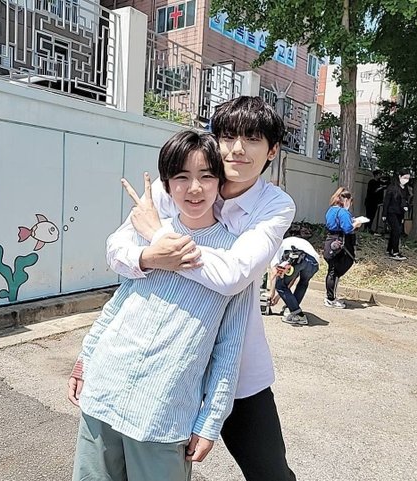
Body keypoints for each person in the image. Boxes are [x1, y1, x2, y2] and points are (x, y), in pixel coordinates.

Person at [106, 96, 297, 481]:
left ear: (272, 150)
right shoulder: (178, 183)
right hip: (167, 363)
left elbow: (234, 275)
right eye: (227, 137)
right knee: (137, 466)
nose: (237, 149)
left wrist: (159, 236)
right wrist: (149, 257)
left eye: (253, 139)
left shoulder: (274, 205)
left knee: (270, 473)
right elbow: (116, 250)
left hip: (235, 368)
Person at [68, 130, 253, 481]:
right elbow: (117, 306)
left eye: (206, 176)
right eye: (181, 177)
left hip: (163, 413)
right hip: (104, 391)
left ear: (220, 182)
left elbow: (229, 348)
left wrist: (210, 421)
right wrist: (85, 359)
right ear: (166, 186)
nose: (194, 188)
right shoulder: (147, 234)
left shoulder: (234, 255)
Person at [269, 227, 320, 325]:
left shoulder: (279, 245)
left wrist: (272, 294)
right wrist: (279, 296)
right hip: (314, 262)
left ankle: (298, 315)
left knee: (279, 285)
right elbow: (292, 279)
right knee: (303, 283)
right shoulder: (302, 242)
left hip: (297, 258)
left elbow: (274, 272)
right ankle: (292, 309)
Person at [323, 188, 362, 309]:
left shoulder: (331, 210)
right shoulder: (343, 212)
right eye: (350, 201)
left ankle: (330, 297)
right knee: (335, 272)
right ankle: (330, 299)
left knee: (332, 270)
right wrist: (356, 223)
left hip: (330, 240)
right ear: (346, 200)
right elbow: (347, 228)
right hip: (340, 242)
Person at [382, 169, 411, 261]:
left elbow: (405, 200)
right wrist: (384, 214)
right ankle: (395, 252)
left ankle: (389, 249)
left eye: (408, 178)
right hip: (391, 212)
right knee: (396, 231)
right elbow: (386, 201)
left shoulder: (405, 188)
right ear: (400, 177)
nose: (406, 180)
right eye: (405, 177)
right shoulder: (392, 187)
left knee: (395, 231)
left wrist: (405, 207)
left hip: (400, 213)